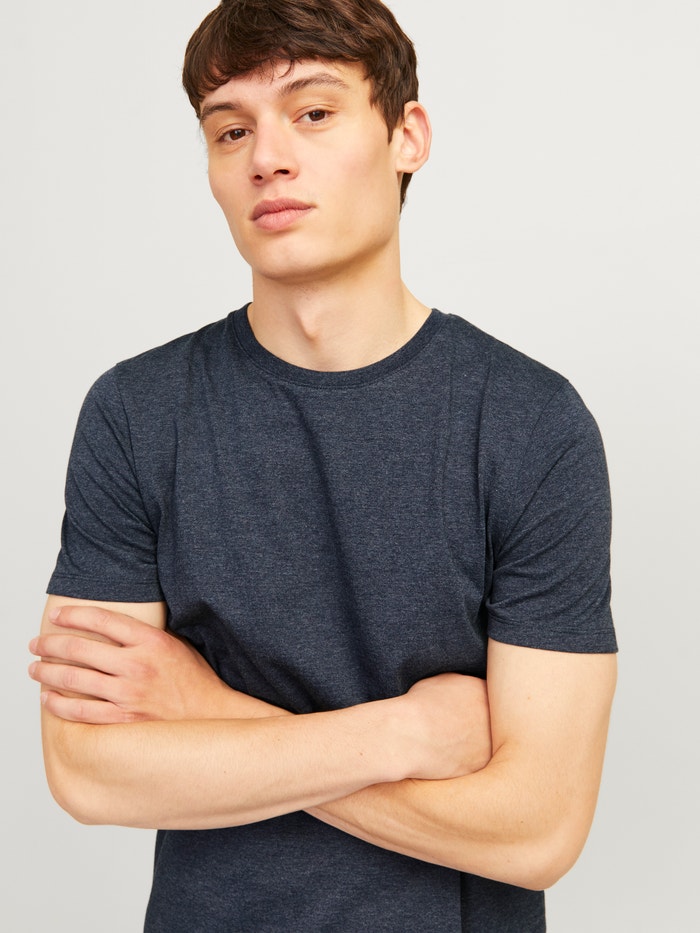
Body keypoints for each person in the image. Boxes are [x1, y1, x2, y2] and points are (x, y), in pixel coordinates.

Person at [28, 1, 617, 930]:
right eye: (231, 130)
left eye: (313, 112)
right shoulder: (135, 413)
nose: (267, 157)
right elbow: (88, 772)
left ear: (406, 136)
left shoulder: (531, 424)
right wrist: (406, 732)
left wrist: (208, 709)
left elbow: (537, 829)